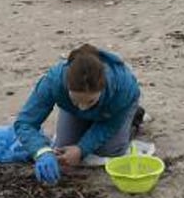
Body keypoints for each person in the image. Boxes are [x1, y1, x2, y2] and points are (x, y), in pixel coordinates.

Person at [14, 44, 142, 186]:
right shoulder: (53, 82)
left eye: (90, 100)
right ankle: (85, 108)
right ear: (67, 87)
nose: (83, 108)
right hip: (72, 110)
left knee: (110, 151)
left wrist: (82, 149)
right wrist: (41, 151)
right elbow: (25, 122)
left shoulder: (122, 88)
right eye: (76, 100)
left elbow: (108, 126)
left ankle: (133, 118)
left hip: (113, 111)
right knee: (63, 148)